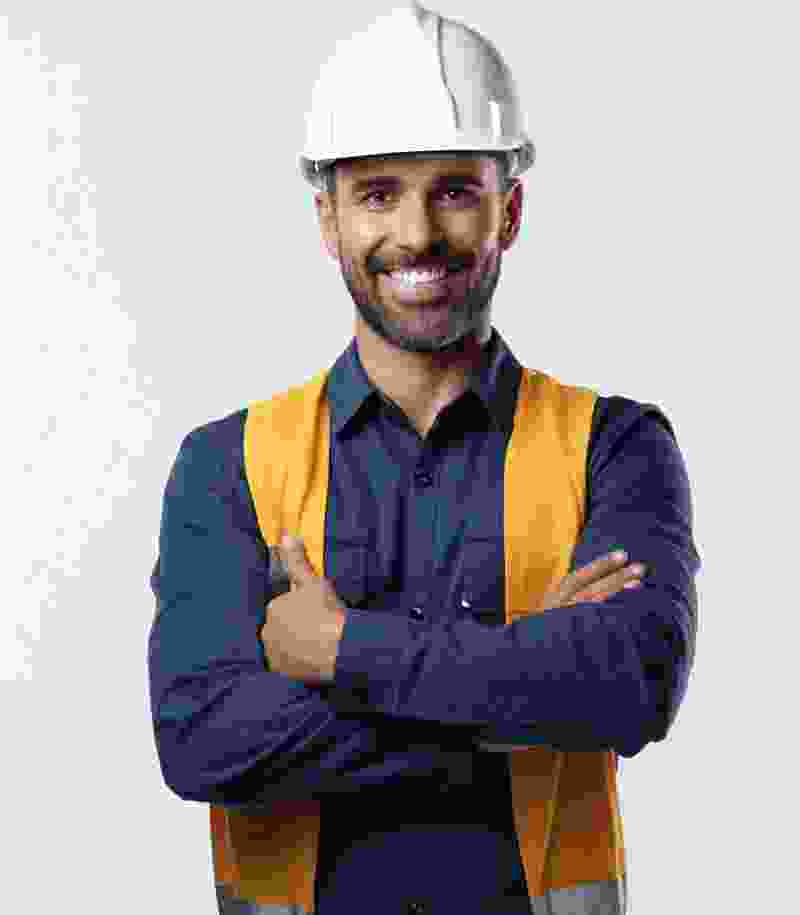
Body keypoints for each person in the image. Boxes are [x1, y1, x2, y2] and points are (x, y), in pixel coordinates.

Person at [147, 4, 700, 913]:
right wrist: (523, 677)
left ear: (508, 210)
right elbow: (200, 738)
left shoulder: (616, 445)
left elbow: (632, 680)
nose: (416, 233)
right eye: (377, 194)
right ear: (327, 220)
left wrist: (343, 650)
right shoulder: (227, 465)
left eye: (454, 191)